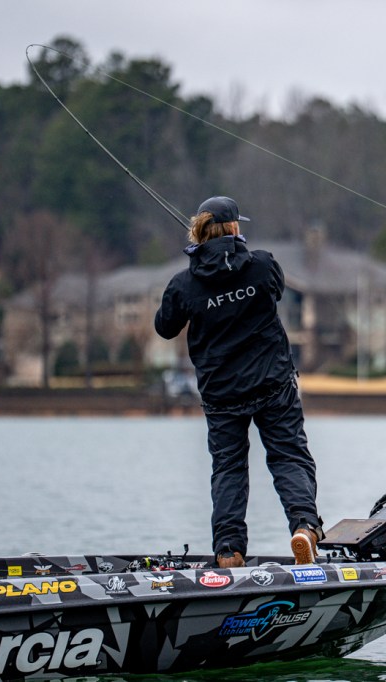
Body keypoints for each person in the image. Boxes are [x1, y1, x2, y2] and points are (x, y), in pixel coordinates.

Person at [154, 196, 323, 567]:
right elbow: (276, 289)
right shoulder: (261, 265)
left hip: (222, 395)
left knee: (229, 469)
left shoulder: (184, 284)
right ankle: (305, 528)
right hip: (273, 385)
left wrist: (199, 271)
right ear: (234, 229)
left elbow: (164, 327)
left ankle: (229, 550)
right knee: (289, 455)